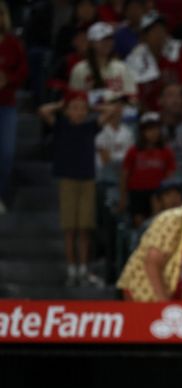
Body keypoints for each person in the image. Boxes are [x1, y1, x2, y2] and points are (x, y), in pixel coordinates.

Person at [39, 93, 116, 287]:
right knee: (69, 229)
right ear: (66, 111)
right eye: (74, 108)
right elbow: (43, 111)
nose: (79, 111)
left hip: (87, 180)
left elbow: (112, 110)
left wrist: (92, 108)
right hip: (67, 181)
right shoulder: (61, 126)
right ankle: (71, 269)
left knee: (84, 228)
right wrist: (59, 105)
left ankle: (83, 269)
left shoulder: (90, 127)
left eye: (82, 108)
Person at [125, 10, 182, 111]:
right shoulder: (134, 59)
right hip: (149, 116)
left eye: (162, 29)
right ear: (144, 37)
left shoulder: (178, 50)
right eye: (154, 30)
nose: (160, 34)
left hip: (179, 113)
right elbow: (135, 98)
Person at [120, 112, 177, 227]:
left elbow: (170, 174)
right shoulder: (134, 151)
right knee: (139, 223)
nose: (153, 133)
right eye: (149, 129)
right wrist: (123, 197)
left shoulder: (166, 152)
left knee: (157, 220)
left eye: (156, 129)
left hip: (157, 192)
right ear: (142, 132)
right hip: (137, 192)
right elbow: (125, 174)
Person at [0, 1, 28, 210]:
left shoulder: (13, 43)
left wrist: (7, 79)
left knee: (6, 153)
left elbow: (23, 72)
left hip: (6, 104)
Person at [69, 21, 137, 104]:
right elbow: (73, 99)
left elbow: (132, 97)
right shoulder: (79, 69)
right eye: (102, 40)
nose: (107, 43)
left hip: (118, 112)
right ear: (91, 43)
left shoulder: (122, 67)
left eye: (109, 39)